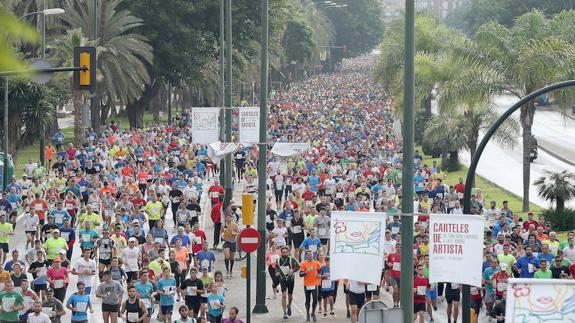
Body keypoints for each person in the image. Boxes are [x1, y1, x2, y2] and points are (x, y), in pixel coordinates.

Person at [275, 246, 299, 319]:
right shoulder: (278, 260)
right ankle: (284, 312)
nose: (284, 254)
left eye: (286, 252)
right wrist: (277, 272)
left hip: (290, 279)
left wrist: (293, 270)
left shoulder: (292, 259)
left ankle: (289, 305)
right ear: (281, 253)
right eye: (283, 252)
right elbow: (276, 268)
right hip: (282, 280)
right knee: (284, 295)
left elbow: (298, 266)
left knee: (290, 295)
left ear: (288, 252)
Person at [299, 250, 320, 322]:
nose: (310, 256)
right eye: (309, 254)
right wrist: (306, 272)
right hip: (307, 284)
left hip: (314, 284)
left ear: (313, 255)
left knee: (315, 299)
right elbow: (300, 274)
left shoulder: (316, 263)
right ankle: (307, 313)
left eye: (311, 254)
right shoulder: (303, 264)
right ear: (306, 255)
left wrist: (319, 275)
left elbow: (320, 270)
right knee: (307, 300)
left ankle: (313, 313)